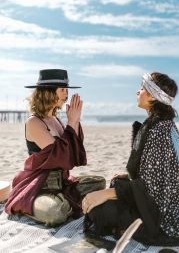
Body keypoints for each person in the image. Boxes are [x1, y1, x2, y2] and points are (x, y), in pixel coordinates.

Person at [82, 72, 179, 246]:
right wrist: (124, 179)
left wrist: (106, 194)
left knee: (98, 211)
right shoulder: (161, 124)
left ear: (152, 96)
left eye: (142, 88)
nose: (138, 92)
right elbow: (157, 175)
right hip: (175, 207)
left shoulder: (159, 130)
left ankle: (128, 229)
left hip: (168, 218)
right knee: (111, 189)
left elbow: (152, 189)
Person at [5, 69, 105, 226]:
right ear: (48, 92)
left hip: (62, 183)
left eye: (67, 89)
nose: (66, 94)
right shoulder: (34, 122)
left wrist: (76, 121)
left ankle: (66, 202)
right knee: (55, 213)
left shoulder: (56, 119)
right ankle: (37, 206)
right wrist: (71, 123)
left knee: (99, 182)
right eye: (62, 90)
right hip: (39, 186)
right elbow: (61, 157)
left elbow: (75, 151)